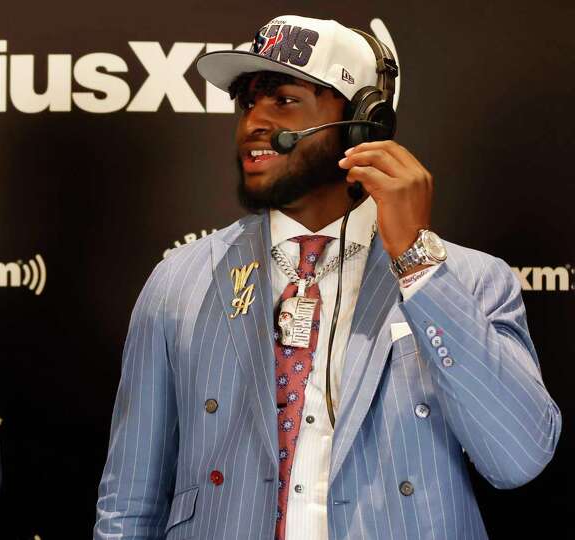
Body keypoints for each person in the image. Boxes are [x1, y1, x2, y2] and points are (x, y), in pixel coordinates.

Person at [94, 14, 560, 540]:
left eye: (283, 100)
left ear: (365, 123)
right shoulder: (178, 281)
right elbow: (128, 502)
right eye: (247, 102)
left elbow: (519, 457)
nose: (252, 124)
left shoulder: (473, 280)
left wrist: (418, 263)